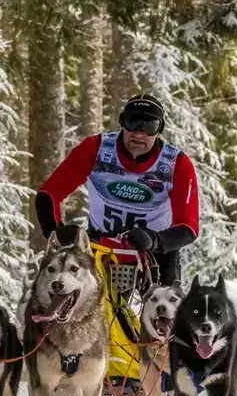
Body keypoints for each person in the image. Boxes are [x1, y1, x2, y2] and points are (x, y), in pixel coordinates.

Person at [34, 93, 200, 285]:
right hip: (101, 244)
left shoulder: (176, 164)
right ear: (122, 122)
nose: (139, 134)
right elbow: (48, 194)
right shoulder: (95, 149)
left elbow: (189, 227)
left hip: (155, 251)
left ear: (159, 129)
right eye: (133, 122)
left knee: (167, 308)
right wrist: (56, 233)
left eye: (149, 126)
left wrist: (155, 240)